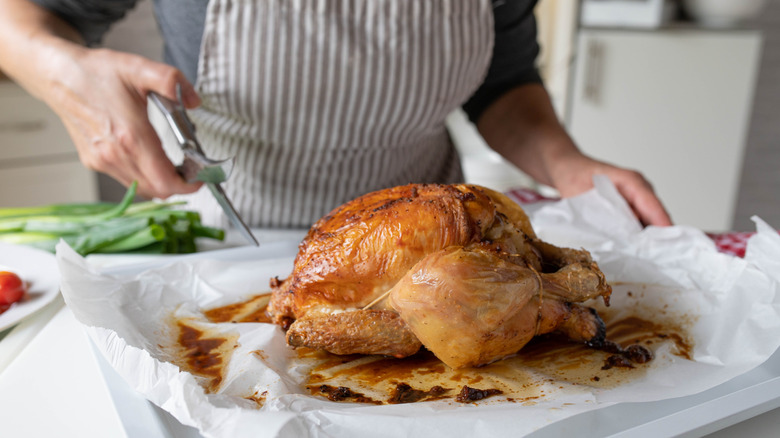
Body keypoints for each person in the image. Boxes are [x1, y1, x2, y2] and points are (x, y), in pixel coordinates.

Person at [0, 0, 672, 229]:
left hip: (431, 240)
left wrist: (570, 166)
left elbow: (505, 84)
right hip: (233, 232)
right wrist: (65, 76)